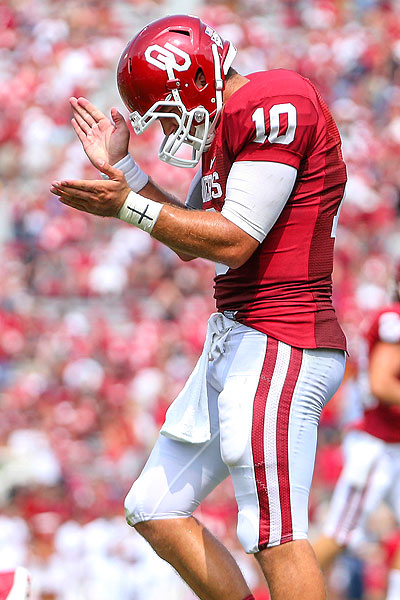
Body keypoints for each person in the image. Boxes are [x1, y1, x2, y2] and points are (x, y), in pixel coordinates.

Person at [50, 14, 347, 600]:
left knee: (273, 532)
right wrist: (124, 172)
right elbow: (192, 237)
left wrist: (126, 206)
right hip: (239, 335)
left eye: (165, 111)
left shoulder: (272, 100)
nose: (168, 127)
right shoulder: (229, 124)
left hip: (281, 334)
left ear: (194, 77)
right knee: (154, 506)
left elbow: (234, 241)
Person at [313, 267, 400, 600]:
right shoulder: (393, 318)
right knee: (340, 534)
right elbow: (381, 382)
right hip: (378, 446)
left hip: (392, 442)